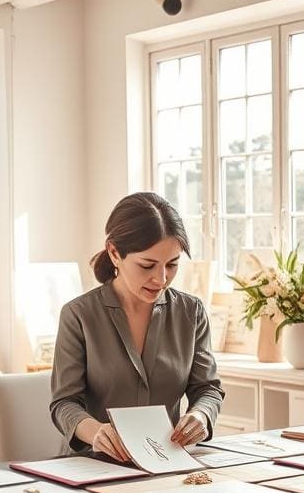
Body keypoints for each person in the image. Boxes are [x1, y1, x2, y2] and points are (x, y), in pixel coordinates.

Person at [50, 192, 224, 462]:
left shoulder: (191, 313)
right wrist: (96, 432)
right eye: (147, 265)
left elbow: (208, 389)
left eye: (172, 264)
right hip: (92, 465)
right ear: (114, 253)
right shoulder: (79, 315)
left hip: (166, 461)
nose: (161, 278)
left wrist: (201, 415)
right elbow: (64, 404)